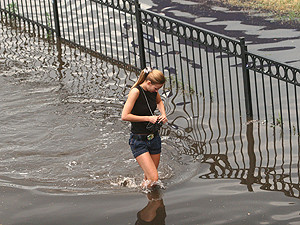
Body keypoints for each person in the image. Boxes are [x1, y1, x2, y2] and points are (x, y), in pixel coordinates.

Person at [121, 67, 167, 190]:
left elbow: (160, 102)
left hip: (154, 137)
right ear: (148, 82)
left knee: (149, 178)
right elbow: (124, 116)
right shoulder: (135, 92)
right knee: (154, 178)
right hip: (139, 140)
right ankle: (148, 202)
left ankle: (149, 200)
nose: (157, 91)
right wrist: (148, 118)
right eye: (156, 88)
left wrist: (163, 114)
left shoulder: (153, 91)